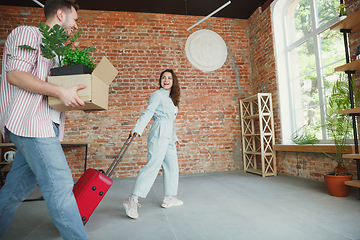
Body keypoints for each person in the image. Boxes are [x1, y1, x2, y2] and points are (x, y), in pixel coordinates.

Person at [0, 0, 88, 239]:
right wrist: (60, 91)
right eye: (75, 19)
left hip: (45, 125)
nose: (77, 26)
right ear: (60, 14)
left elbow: (53, 91)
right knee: (60, 186)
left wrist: (85, 100)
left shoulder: (58, 51)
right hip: (30, 123)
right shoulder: (27, 33)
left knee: (15, 190)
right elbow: (16, 75)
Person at [123, 69, 183, 219]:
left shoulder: (171, 99)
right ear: (160, 81)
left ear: (173, 81)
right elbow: (148, 112)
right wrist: (137, 129)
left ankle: (169, 198)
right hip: (158, 133)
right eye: (163, 77)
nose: (166, 80)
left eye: (169, 78)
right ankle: (132, 201)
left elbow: (170, 120)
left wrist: (174, 137)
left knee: (172, 166)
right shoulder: (157, 95)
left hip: (168, 135)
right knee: (152, 166)